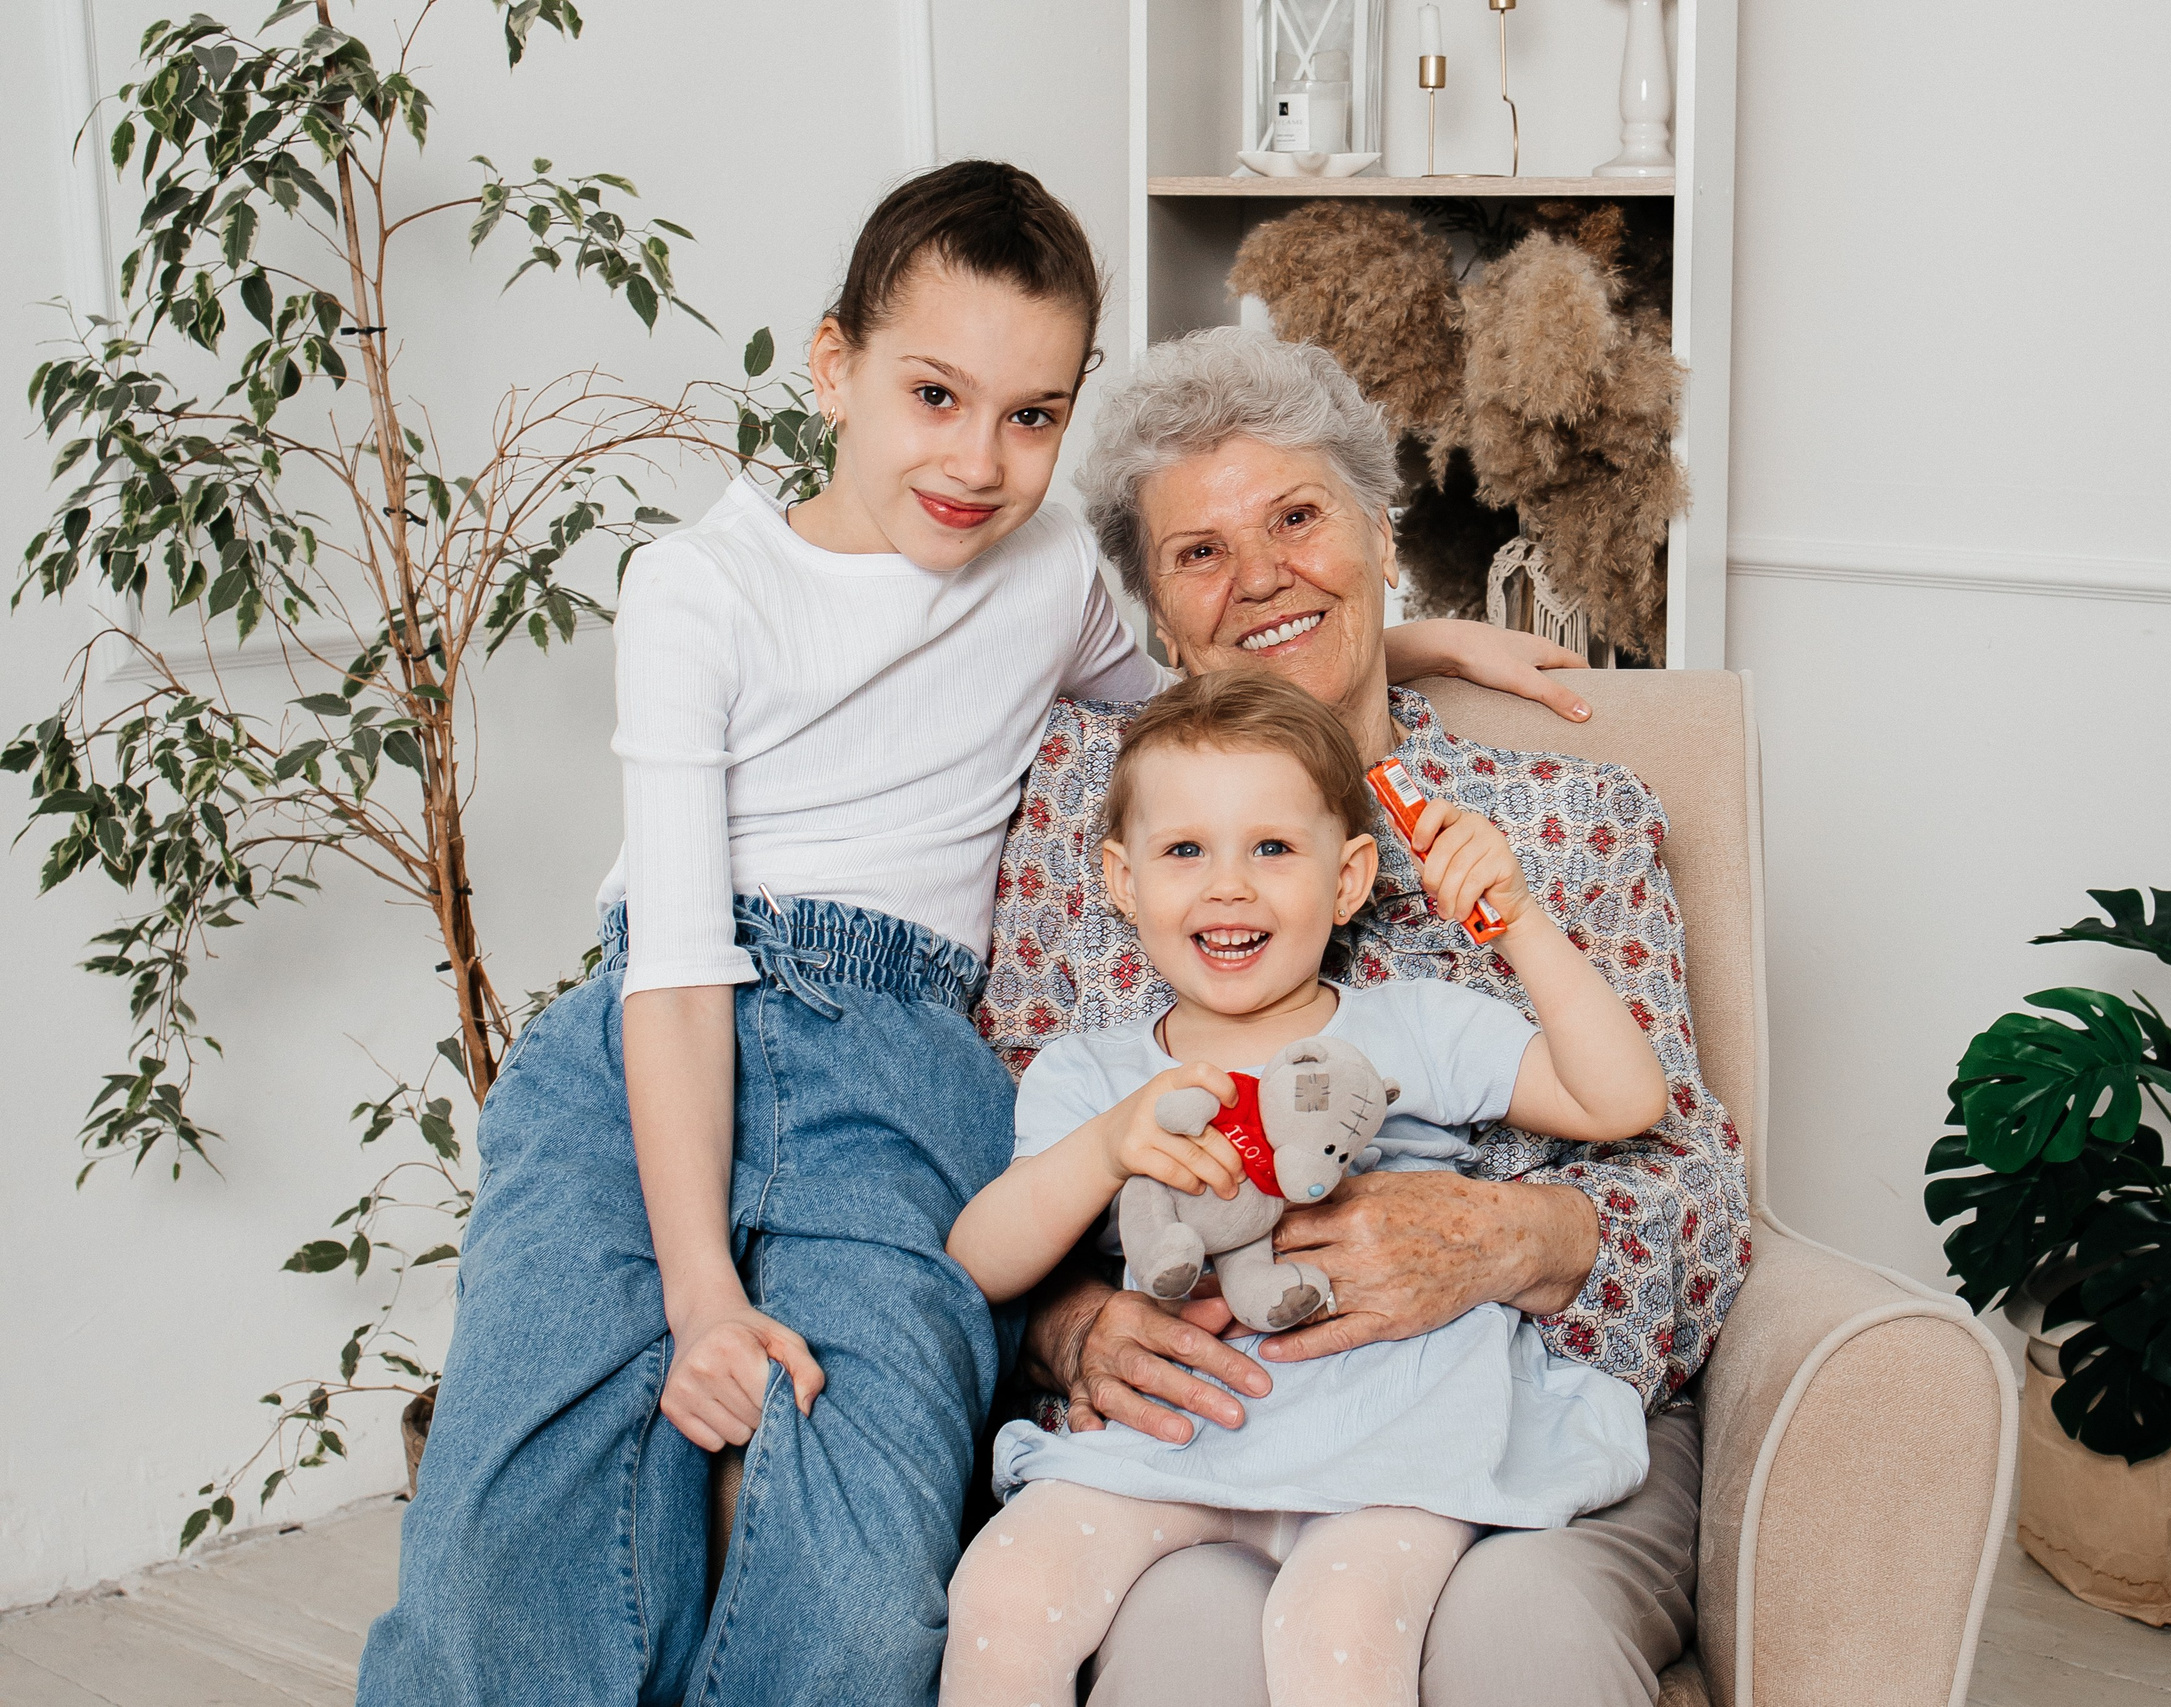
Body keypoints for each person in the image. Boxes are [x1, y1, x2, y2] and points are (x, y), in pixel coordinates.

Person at [357, 164, 1570, 1707]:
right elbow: (672, 964)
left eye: (1033, 415)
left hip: (898, 1067)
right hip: (648, 1042)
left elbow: (1203, 702)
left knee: (868, 1605)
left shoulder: (1052, 569)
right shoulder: (698, 590)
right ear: (833, 364)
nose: (979, 459)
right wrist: (699, 1299)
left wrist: (1412, 635)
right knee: (496, 1555)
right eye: (935, 392)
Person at [974, 327, 1753, 1705]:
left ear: (1381, 538)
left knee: (1520, 1640)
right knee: (1177, 1649)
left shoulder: (1566, 821)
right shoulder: (1083, 808)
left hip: (1495, 1398)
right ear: (1155, 611)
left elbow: (1688, 1174)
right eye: (1199, 551)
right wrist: (1074, 1321)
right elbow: (1001, 1178)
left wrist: (1511, 1237)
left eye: (1296, 517)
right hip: (1198, 1424)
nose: (1260, 573)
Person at [941, 671, 1665, 1705]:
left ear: (1348, 878)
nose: (1228, 885)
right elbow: (981, 1261)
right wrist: (1106, 1150)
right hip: (1179, 1446)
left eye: (1272, 848)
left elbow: (1622, 1100)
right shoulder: (1093, 1077)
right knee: (1004, 1588)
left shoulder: (1410, 1023)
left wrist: (1518, 926)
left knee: (1337, 1630)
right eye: (1185, 849)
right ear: (1121, 880)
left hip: (1395, 1442)